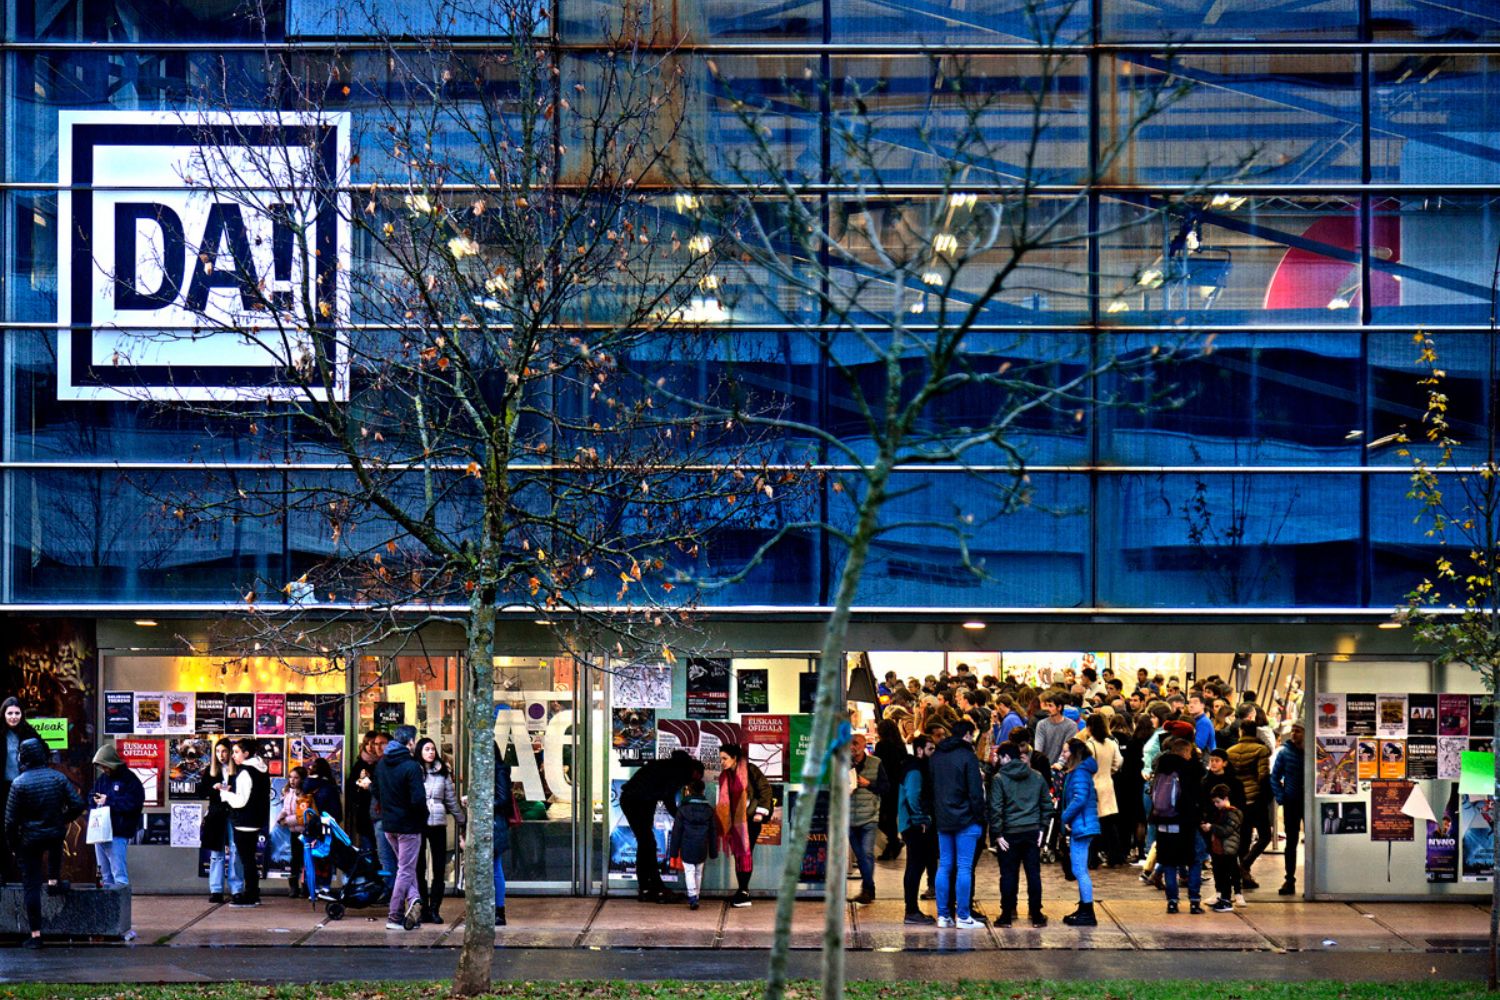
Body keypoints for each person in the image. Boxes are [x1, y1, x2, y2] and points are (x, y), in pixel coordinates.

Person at [4, 737, 84, 948]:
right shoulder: (58, 778)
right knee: (55, 846)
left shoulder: (19, 783)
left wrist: (14, 845)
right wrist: (62, 819)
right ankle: (53, 882)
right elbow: (78, 804)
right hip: (54, 832)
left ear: (23, 757)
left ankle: (36, 935)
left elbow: (10, 822)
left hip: (29, 838)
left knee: (31, 885)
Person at [619, 749, 702, 903]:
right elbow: (668, 797)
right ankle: (656, 888)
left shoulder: (667, 766)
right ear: (695, 771)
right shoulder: (679, 772)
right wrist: (681, 818)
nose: (694, 782)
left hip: (637, 800)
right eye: (698, 777)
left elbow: (663, 794)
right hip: (636, 802)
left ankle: (646, 888)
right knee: (648, 843)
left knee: (646, 844)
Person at [988, 740, 1053, 928]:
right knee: (1033, 874)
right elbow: (1046, 804)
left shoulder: (999, 779)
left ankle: (1006, 915)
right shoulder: (1037, 776)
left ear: (1007, 757)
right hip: (1032, 831)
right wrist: (1042, 828)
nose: (999, 761)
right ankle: (1036, 914)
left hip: (1009, 833)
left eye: (1000, 757)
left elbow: (996, 808)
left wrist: (997, 834)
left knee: (1008, 874)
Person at [929, 719, 985, 929]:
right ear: (968, 734)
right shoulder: (968, 756)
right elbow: (975, 792)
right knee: (964, 867)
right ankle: (963, 916)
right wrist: (980, 817)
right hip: (966, 819)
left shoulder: (936, 756)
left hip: (943, 818)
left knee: (944, 866)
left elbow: (931, 788)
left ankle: (943, 916)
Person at [375, 724, 428, 931]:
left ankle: (414, 900)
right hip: (409, 826)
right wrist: (423, 817)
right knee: (405, 870)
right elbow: (418, 799)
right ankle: (395, 915)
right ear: (411, 742)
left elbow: (375, 790)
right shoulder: (411, 766)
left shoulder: (382, 763)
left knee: (406, 867)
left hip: (389, 824)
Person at [1151, 737, 1205, 914]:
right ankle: (1194, 901)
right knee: (1194, 861)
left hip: (1162, 822)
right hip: (1185, 823)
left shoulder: (1160, 768)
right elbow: (1196, 795)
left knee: (1169, 864)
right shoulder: (1189, 769)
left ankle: (1172, 902)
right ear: (1187, 752)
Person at [413, 738, 464, 924]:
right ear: (420, 751)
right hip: (419, 822)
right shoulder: (413, 770)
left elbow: (450, 798)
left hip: (438, 823)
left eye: (433, 749)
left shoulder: (443, 772)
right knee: (419, 868)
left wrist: (461, 819)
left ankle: (435, 908)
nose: (431, 752)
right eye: (427, 749)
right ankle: (423, 908)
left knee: (439, 867)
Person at [716, 742, 772, 907]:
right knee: (739, 855)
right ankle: (742, 890)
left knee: (745, 854)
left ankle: (744, 893)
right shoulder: (726, 776)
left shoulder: (750, 769)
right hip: (734, 823)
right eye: (721, 759)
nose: (722, 762)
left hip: (750, 820)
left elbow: (765, 790)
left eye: (725, 758)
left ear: (734, 758)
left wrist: (760, 812)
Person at [219, 739, 270, 907]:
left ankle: (250, 894)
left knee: (246, 860)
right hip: (256, 819)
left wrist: (225, 794)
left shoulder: (245, 772)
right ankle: (253, 892)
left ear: (246, 753)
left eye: (236, 752)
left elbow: (241, 801)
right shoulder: (262, 769)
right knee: (250, 859)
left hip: (243, 820)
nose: (233, 756)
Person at [91, 741, 144, 889]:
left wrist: (108, 801)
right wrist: (94, 799)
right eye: (102, 766)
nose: (104, 769)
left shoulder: (129, 779)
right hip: (102, 831)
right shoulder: (103, 779)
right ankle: (111, 900)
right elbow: (92, 795)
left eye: (105, 766)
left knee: (118, 875)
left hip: (117, 831)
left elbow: (133, 803)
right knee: (106, 875)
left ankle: (119, 900)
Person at [1226, 718, 1272, 889]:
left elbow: (1230, 777)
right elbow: (1263, 776)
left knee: (1244, 838)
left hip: (1238, 800)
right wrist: (1266, 797)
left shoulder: (1230, 751)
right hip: (1255, 799)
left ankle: (1245, 875)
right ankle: (1245, 865)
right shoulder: (1261, 750)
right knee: (1265, 836)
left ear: (1241, 732)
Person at [0, 697, 41, 883]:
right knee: (4, 830)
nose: (13, 717)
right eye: (10, 713)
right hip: (3, 788)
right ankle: (4, 873)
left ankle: (27, 873)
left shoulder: (28, 732)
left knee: (25, 829)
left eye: (17, 713)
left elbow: (43, 752)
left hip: (25, 788)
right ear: (3, 714)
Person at [1060, 738, 1100, 926]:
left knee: (1079, 870)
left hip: (1082, 825)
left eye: (1066, 751)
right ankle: (1084, 907)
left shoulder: (1079, 773)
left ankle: (1087, 911)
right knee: (1080, 868)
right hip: (1083, 823)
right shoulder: (1082, 771)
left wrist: (1065, 817)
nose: (1063, 754)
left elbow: (1079, 798)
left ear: (1075, 753)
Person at [898, 735, 937, 924]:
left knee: (916, 865)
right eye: (930, 749)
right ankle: (911, 910)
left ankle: (911, 910)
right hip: (913, 825)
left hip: (911, 823)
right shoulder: (915, 770)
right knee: (915, 866)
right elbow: (912, 796)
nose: (933, 753)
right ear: (920, 750)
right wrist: (920, 818)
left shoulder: (914, 767)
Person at [351, 731, 395, 898]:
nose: (376, 747)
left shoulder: (386, 764)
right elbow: (353, 791)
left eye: (380, 743)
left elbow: (381, 790)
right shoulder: (367, 765)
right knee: (378, 856)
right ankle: (380, 889)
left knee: (386, 858)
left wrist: (368, 785)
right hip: (370, 816)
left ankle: (389, 891)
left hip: (383, 816)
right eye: (374, 743)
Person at [200, 738, 244, 904]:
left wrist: (231, 790)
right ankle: (216, 890)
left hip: (234, 813)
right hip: (216, 814)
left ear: (230, 752)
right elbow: (202, 791)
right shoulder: (210, 771)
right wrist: (215, 788)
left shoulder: (239, 770)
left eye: (224, 751)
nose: (221, 755)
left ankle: (236, 889)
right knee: (216, 853)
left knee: (235, 851)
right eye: (218, 751)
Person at [847, 733, 888, 905]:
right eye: (849, 743)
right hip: (849, 817)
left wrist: (869, 784)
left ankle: (868, 889)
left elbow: (885, 788)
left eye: (856, 743)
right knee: (860, 855)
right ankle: (869, 888)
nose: (852, 747)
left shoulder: (875, 763)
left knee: (867, 853)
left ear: (864, 745)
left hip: (869, 817)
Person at [667, 777, 716, 911]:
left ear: (689, 791)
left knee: (689, 871)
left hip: (687, 845)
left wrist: (673, 851)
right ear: (703, 791)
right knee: (699, 872)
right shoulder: (709, 810)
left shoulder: (683, 809)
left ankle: (692, 897)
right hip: (702, 846)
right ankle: (696, 896)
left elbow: (677, 831)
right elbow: (713, 832)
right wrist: (713, 851)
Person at [1083, 713, 1123, 867]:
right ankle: (1115, 856)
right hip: (1107, 784)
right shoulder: (1111, 743)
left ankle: (1092, 859)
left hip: (1093, 785)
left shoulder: (1089, 745)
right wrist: (1109, 771)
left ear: (1089, 728)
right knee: (1109, 824)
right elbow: (1118, 761)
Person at [1269, 723, 1305, 896]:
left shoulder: (1314, 751)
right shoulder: (1284, 753)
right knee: (1291, 842)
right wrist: (1281, 796)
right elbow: (1274, 777)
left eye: (1298, 731)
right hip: (1292, 802)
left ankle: (1313, 882)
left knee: (1313, 843)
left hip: (1310, 803)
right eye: (1293, 731)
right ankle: (1289, 879)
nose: (1293, 734)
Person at [1202, 783, 1245, 911]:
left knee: (1227, 873)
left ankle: (1227, 900)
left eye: (1217, 802)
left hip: (1228, 849)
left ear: (1226, 798)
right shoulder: (1222, 812)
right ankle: (1223, 897)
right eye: (1214, 802)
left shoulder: (1232, 813)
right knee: (1221, 872)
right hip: (1221, 849)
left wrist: (1211, 827)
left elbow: (1226, 830)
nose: (1216, 804)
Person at [275, 765, 313, 898]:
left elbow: (302, 816)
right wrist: (279, 819)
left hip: (305, 832)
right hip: (294, 832)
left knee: (305, 859)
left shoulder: (305, 795)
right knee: (295, 859)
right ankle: (293, 887)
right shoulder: (289, 793)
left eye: (296, 778)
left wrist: (286, 821)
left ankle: (306, 887)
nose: (292, 780)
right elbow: (285, 809)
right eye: (290, 777)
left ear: (302, 779)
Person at [873, 720, 907, 860]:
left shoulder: (881, 746)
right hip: (898, 785)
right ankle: (893, 844)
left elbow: (877, 764)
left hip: (886, 785)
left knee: (883, 818)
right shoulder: (900, 746)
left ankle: (893, 843)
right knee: (891, 817)